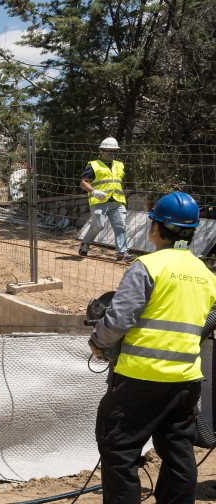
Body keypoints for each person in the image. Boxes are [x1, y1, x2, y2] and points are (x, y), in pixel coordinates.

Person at [88, 191, 215, 504]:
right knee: (178, 452)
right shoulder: (205, 274)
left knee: (118, 451)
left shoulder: (147, 266)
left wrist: (97, 342)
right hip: (186, 382)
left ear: (155, 227)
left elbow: (118, 321)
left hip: (140, 380)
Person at [78, 137, 129, 260]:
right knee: (99, 226)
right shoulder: (93, 165)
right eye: (108, 150)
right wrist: (94, 191)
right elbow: (82, 183)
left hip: (117, 200)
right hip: (99, 201)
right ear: (100, 150)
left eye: (113, 151)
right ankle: (85, 243)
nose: (111, 153)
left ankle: (122, 253)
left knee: (120, 226)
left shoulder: (120, 165)